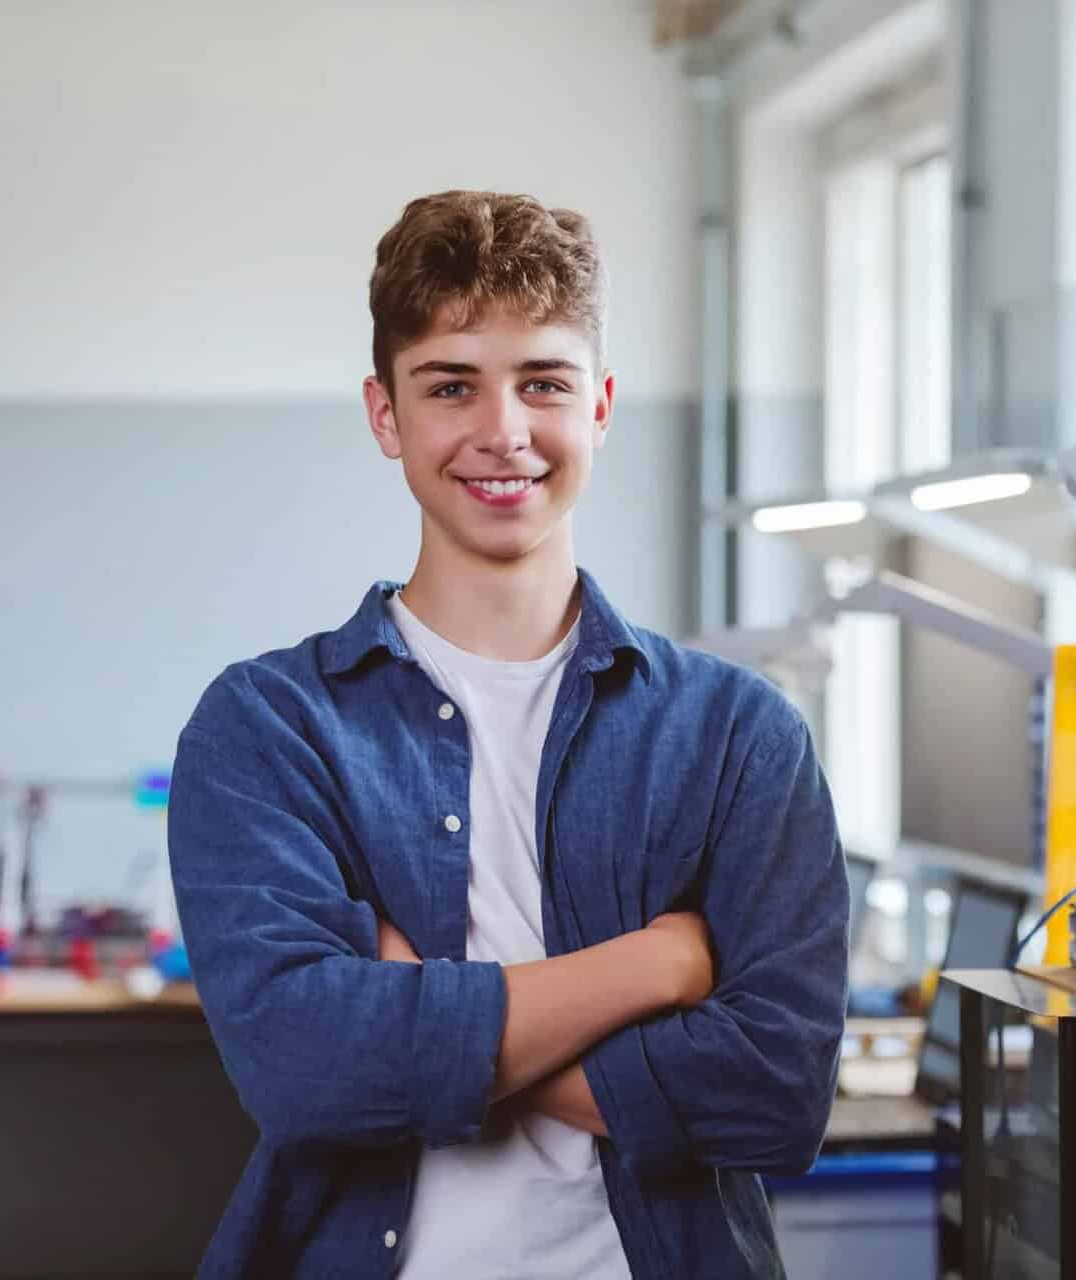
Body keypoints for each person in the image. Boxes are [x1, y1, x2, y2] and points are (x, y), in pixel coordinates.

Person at [167, 190, 848, 1278]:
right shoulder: (268, 727)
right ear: (385, 414)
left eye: (543, 382)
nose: (504, 431)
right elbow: (306, 1072)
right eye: (450, 385)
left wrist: (419, 1002)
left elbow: (776, 1098)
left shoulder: (738, 733)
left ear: (602, 406)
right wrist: (651, 962)